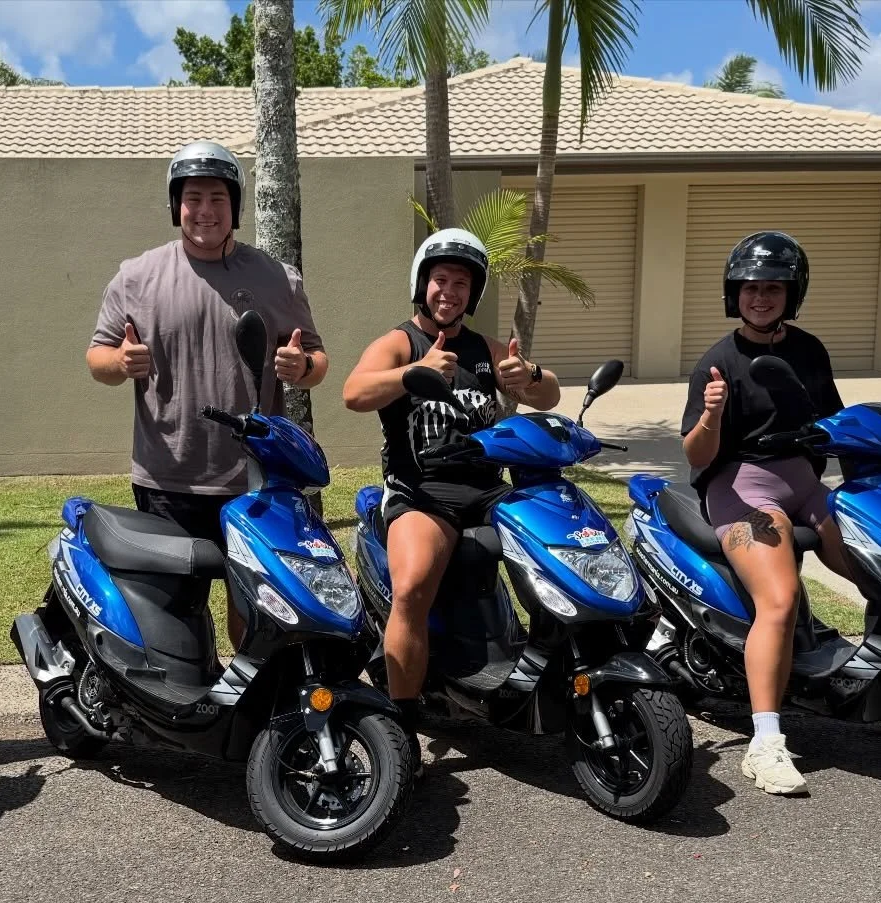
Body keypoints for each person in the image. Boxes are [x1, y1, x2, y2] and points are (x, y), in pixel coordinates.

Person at [680, 230, 881, 796]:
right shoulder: (717, 363)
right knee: (781, 599)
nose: (760, 297)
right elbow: (696, 454)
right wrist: (712, 415)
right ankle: (765, 743)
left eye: (773, 288)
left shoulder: (810, 351)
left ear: (792, 294)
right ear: (734, 293)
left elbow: (836, 423)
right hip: (742, 489)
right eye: (750, 288)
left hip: (805, 484)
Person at [87, 140, 328, 648]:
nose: (205, 211)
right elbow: (97, 358)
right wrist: (120, 362)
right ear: (175, 204)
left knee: (258, 607)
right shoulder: (136, 276)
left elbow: (317, 360)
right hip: (166, 479)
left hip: (255, 479)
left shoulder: (276, 278)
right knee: (177, 616)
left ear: (235, 206)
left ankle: (248, 694)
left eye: (217, 198)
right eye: (193, 198)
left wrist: (301, 365)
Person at [343, 228, 562, 742]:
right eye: (440, 279)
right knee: (412, 587)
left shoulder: (484, 349)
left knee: (559, 557)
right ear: (422, 284)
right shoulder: (401, 342)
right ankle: (403, 724)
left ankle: (549, 668)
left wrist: (529, 374)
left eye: (461, 283)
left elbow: (548, 396)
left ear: (473, 292)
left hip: (489, 491)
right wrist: (413, 371)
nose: (450, 291)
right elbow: (354, 393)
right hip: (423, 493)